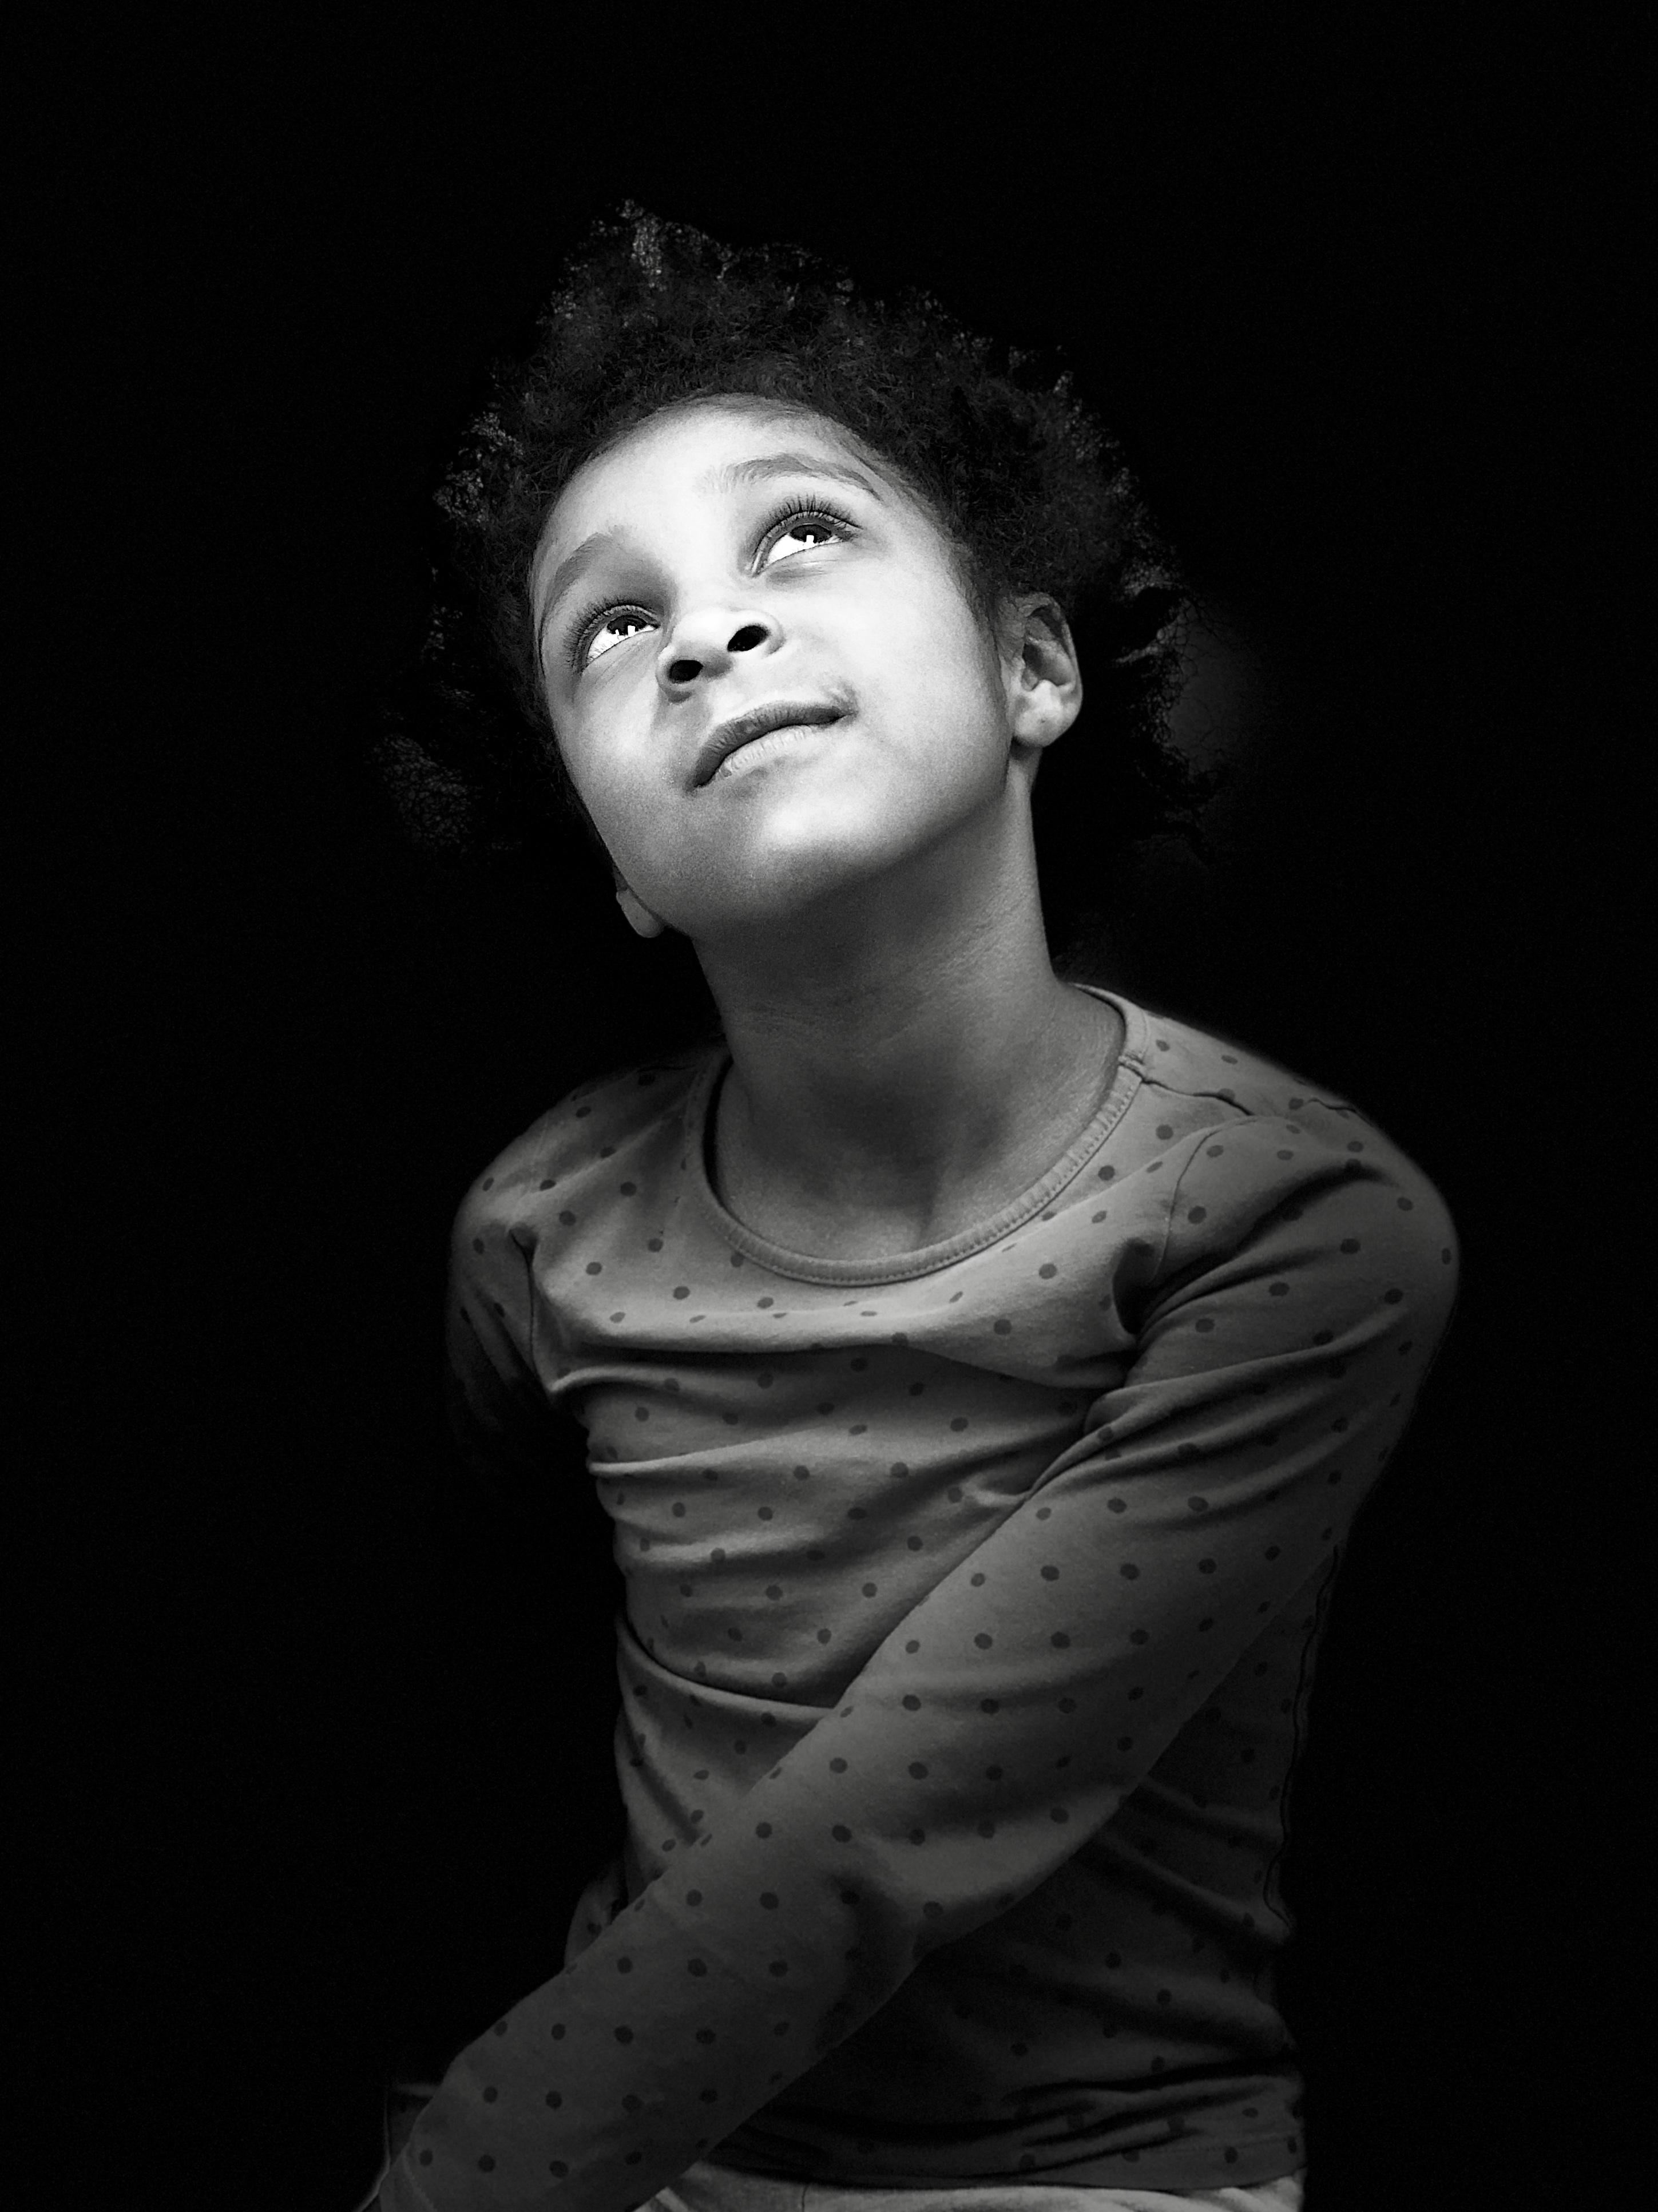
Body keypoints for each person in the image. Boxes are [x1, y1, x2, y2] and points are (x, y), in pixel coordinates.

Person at [356, 203, 1459, 2212]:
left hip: (1099, 2177)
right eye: (613, 624)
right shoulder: (535, 1231)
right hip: (642, 2163)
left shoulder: (1287, 1217)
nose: (707, 631)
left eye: (799, 535)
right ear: (608, 853)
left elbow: (874, 1837)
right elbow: (467, 1749)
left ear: (1031, 665)